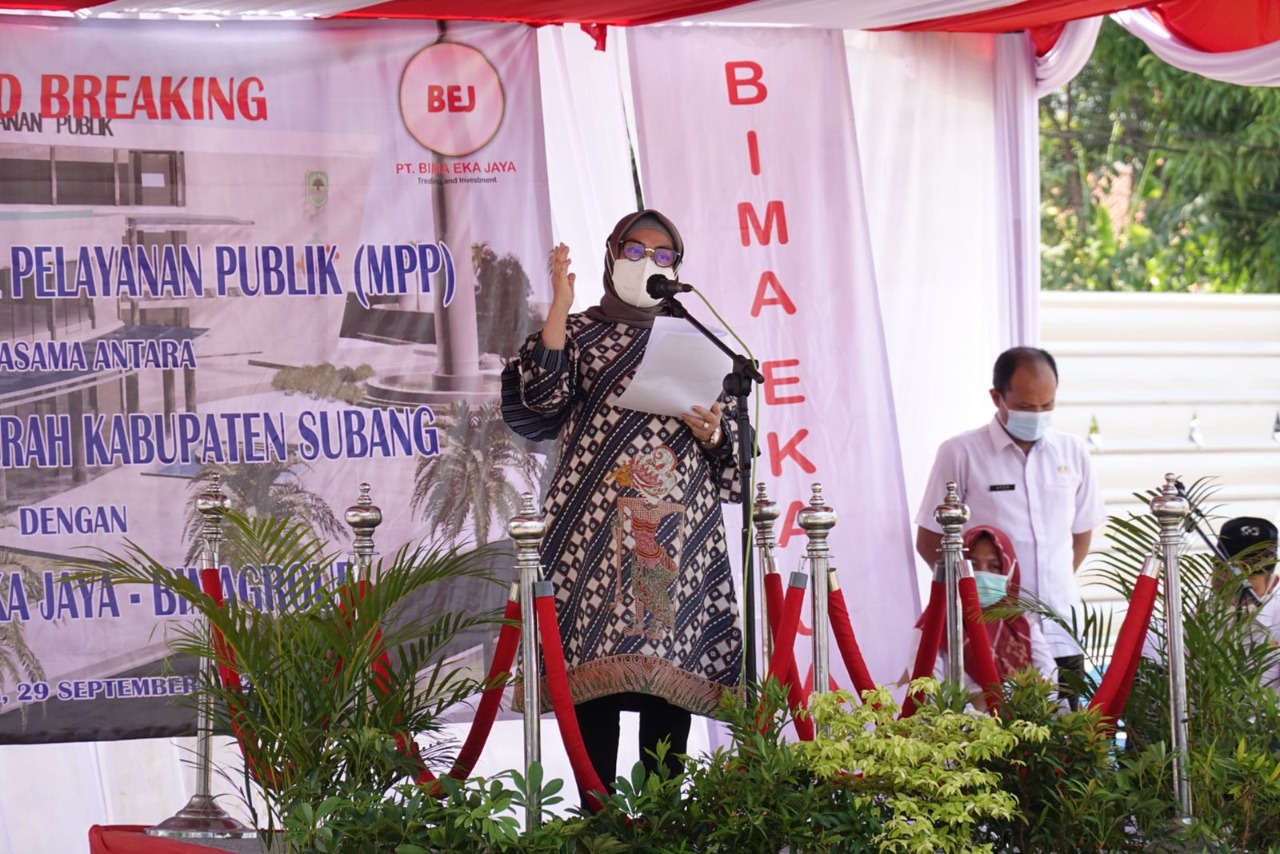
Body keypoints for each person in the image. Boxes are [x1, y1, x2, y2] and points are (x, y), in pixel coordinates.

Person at [501, 209, 744, 804]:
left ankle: (663, 828)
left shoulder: (701, 339)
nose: (648, 265)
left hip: (674, 543)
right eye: (635, 251)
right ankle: (598, 830)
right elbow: (538, 404)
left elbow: (735, 453)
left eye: (663, 257)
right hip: (592, 538)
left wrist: (713, 432)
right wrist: (559, 304)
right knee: (595, 696)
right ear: (612, 256)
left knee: (669, 698)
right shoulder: (579, 332)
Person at [915, 347, 1105, 709]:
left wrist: (1051, 583)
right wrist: (976, 597)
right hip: (990, 636)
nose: (1037, 416)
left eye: (1046, 407)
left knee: (1066, 747)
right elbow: (929, 540)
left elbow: (1081, 534)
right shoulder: (961, 452)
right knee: (993, 745)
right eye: (1026, 407)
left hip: (1059, 626)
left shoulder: (1073, 451)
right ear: (996, 397)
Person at [1219, 516, 1280, 689]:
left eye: (1250, 574)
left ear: (1271, 579)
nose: (1231, 580)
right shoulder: (1202, 612)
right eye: (1224, 569)